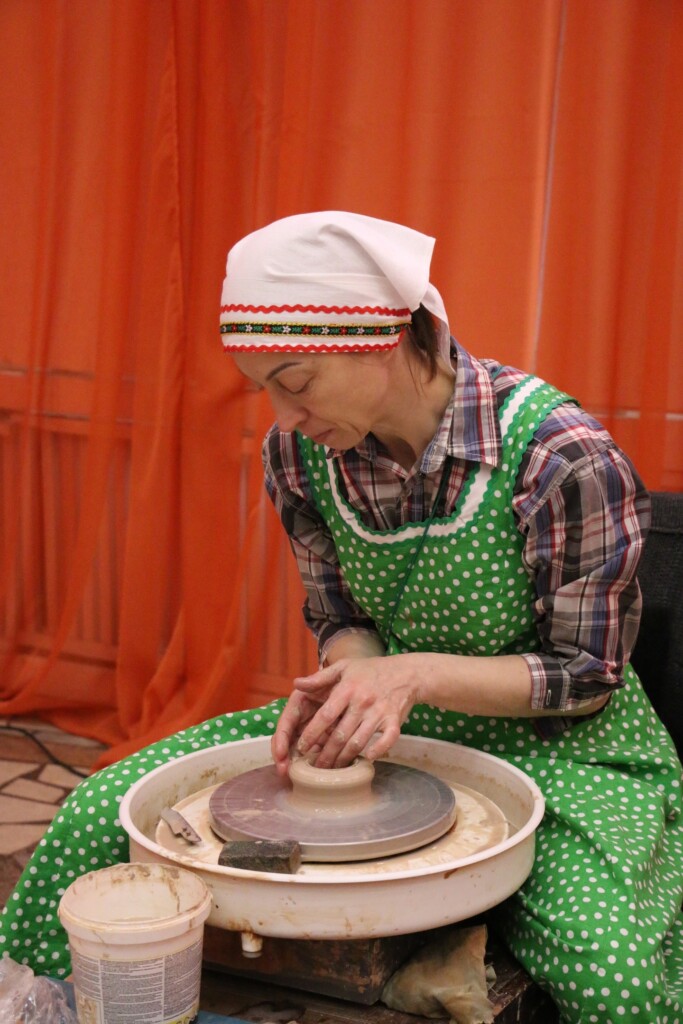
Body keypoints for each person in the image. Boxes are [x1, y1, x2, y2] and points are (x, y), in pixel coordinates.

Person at [1, 213, 681, 1024]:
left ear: (382, 339)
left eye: (295, 381)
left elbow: (584, 677)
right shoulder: (300, 455)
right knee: (93, 817)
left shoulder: (559, 455)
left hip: (564, 748)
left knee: (613, 978)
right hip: (396, 722)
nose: (283, 415)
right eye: (264, 389)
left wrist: (405, 676)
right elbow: (340, 616)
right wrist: (351, 683)